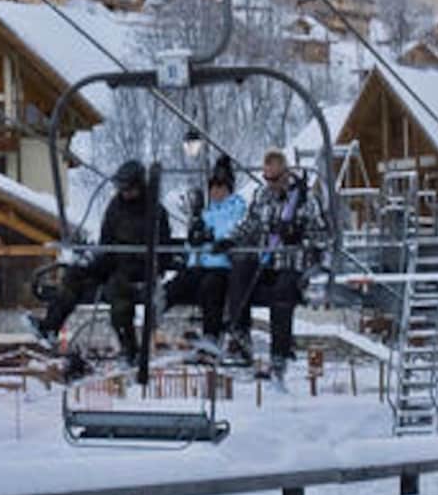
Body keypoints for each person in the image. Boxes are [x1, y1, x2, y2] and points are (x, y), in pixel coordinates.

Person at [31, 159, 174, 372]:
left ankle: (130, 349)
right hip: (113, 260)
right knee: (74, 275)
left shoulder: (154, 211)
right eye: (121, 188)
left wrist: (149, 267)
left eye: (128, 188)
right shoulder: (116, 206)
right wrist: (95, 259)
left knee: (118, 288)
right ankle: (50, 326)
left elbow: (162, 248)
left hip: (138, 269)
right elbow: (106, 238)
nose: (124, 193)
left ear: (138, 186)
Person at [221, 149, 324, 382]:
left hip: (292, 263)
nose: (271, 184)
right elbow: (250, 224)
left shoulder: (305, 200)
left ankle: (279, 355)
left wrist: (297, 236)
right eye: (267, 179)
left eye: (275, 179)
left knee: (282, 292)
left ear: (286, 174)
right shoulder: (261, 196)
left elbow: (321, 238)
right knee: (239, 267)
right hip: (266, 261)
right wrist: (230, 240)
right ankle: (239, 335)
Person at [167, 158, 246, 351]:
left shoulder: (237, 209)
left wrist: (217, 239)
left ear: (229, 189)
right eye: (214, 187)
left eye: (221, 187)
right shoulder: (205, 214)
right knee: (184, 279)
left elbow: (236, 232)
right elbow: (191, 246)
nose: (217, 191)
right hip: (201, 265)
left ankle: (211, 335)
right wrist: (193, 242)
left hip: (224, 266)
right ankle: (156, 308)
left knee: (211, 285)